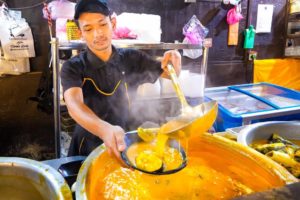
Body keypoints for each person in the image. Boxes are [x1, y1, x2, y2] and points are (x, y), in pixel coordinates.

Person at [61, 0, 181, 160]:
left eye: (102, 24)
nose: (98, 34)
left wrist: (174, 59)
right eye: (88, 29)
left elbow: (169, 73)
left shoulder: (132, 57)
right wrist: (104, 129)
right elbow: (74, 105)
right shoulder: (73, 67)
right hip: (87, 145)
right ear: (81, 33)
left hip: (125, 139)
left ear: (113, 23)